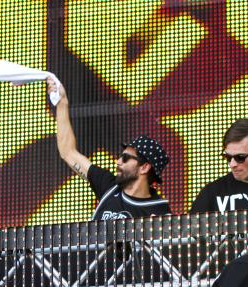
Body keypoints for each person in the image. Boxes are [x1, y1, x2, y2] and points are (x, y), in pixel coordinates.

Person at [46, 77, 171, 220]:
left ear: (144, 167)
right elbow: (68, 152)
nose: (118, 161)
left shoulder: (160, 212)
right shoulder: (109, 186)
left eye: (125, 158)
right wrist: (62, 102)